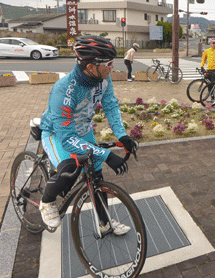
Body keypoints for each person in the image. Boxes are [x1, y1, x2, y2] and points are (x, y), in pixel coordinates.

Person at [38, 35, 139, 230]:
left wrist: (122, 135)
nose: (112, 67)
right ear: (91, 66)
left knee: (96, 175)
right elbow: (67, 139)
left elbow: (110, 105)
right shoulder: (63, 90)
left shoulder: (103, 78)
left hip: (83, 131)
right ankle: (47, 201)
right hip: (57, 134)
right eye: (108, 63)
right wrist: (107, 154)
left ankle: (104, 223)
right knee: (69, 169)